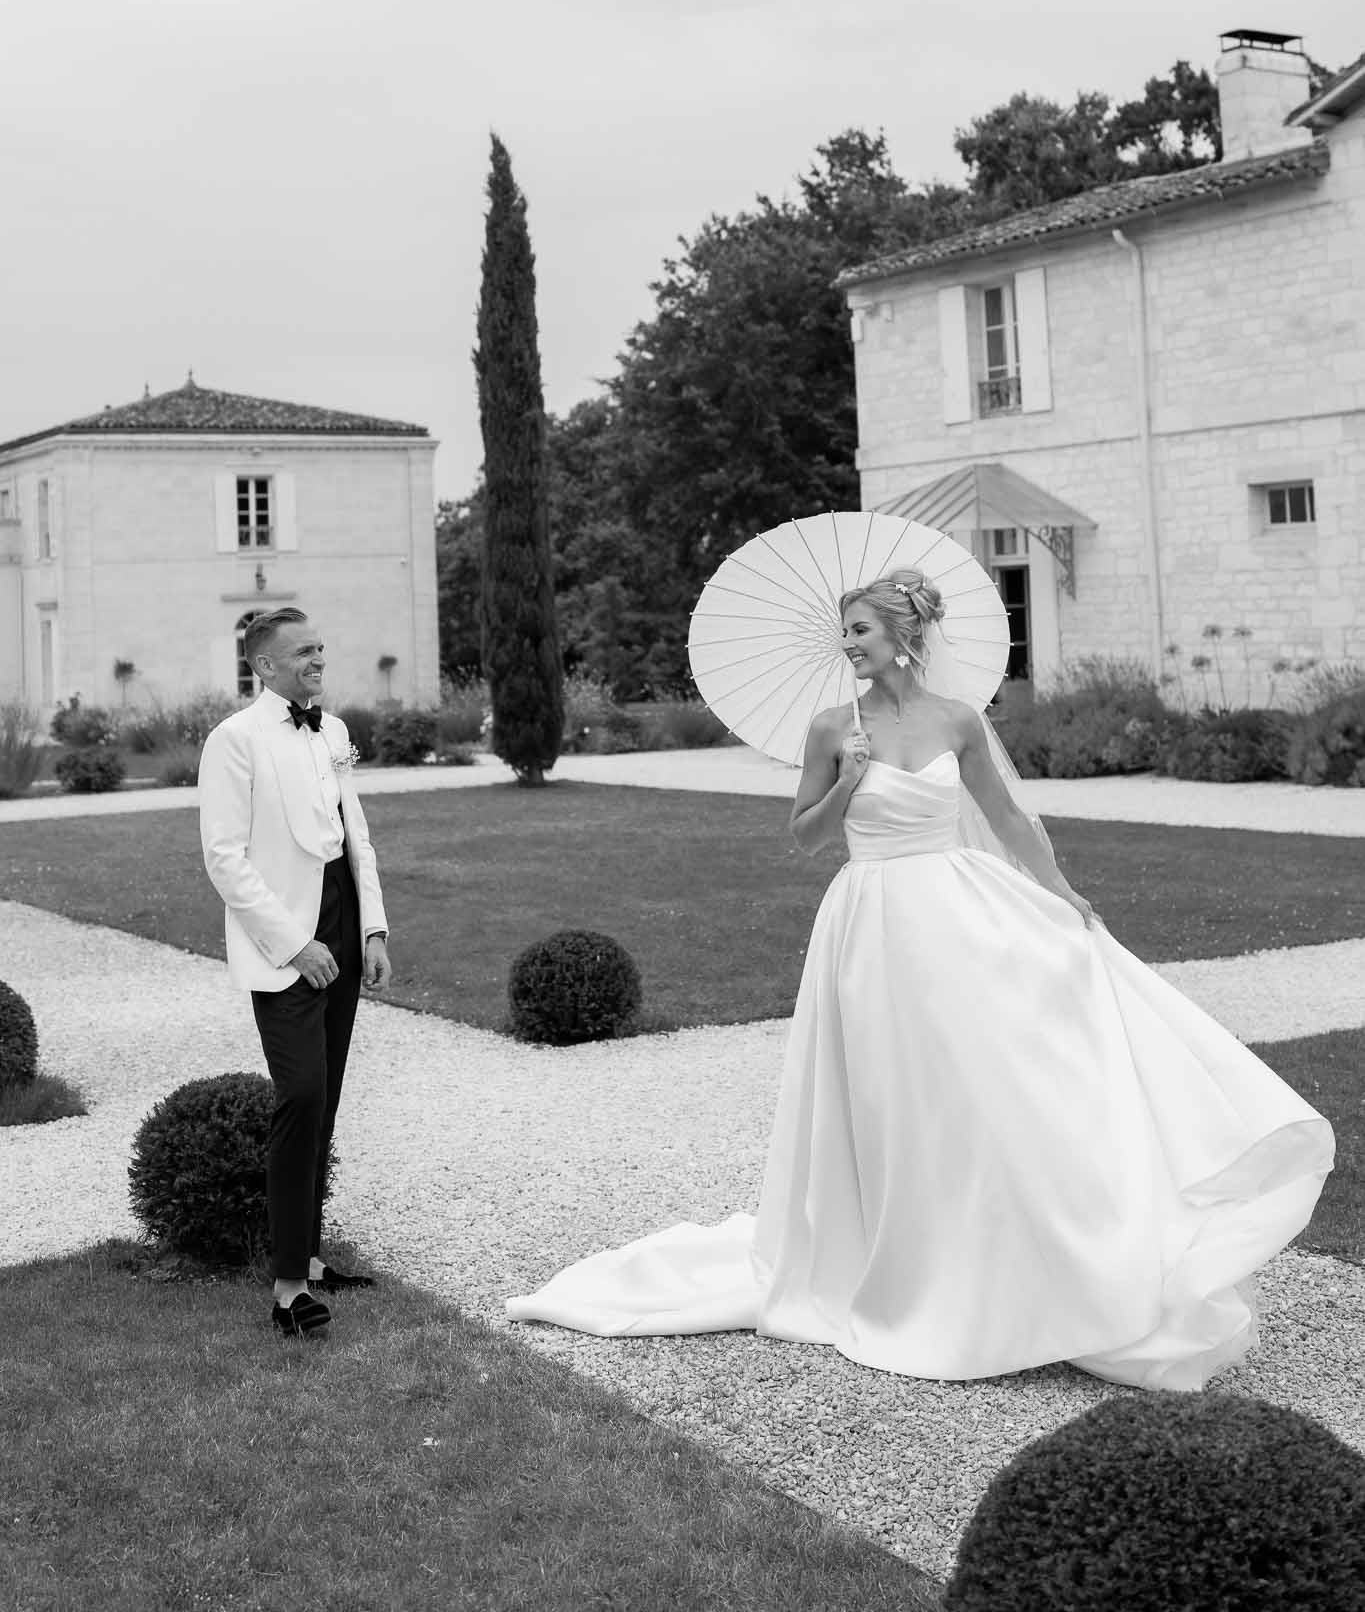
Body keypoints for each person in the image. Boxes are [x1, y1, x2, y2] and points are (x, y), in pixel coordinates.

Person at [507, 568, 1334, 1391]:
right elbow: (801, 836)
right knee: (893, 1090)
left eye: (858, 629)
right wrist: (851, 782)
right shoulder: (832, 725)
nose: (846, 643)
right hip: (869, 922)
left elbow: (1007, 817)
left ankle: (1021, 1247)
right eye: (843, 631)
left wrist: (1060, 889)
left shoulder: (958, 721)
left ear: (902, 635)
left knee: (986, 1079)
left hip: (960, 912)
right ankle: (904, 1252)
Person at [198, 607, 393, 1340]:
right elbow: (226, 858)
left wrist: (371, 927)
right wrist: (294, 944)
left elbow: (355, 835)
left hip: (342, 918)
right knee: (300, 1095)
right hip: (286, 943)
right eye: (303, 652)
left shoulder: (333, 731)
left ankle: (308, 1259)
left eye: (320, 647)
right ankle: (286, 1291)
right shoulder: (234, 740)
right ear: (265, 666)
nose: (318, 659)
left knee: (327, 1100)